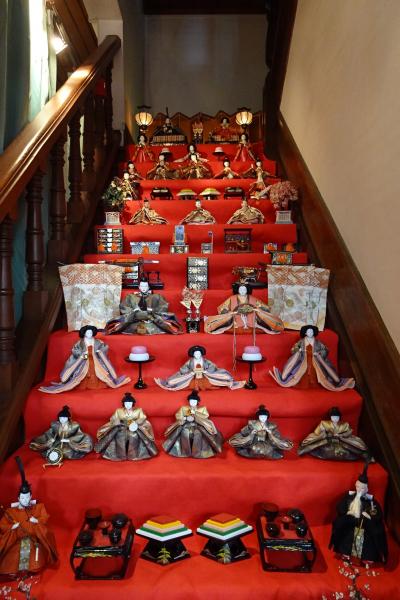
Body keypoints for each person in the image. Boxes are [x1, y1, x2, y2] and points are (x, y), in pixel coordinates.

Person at [0, 457, 58, 576]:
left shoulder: (38, 508)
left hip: (32, 539)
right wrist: (12, 527)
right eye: (22, 498)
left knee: (34, 561)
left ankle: (31, 569)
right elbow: (3, 525)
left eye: (27, 497)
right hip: (16, 541)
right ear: (18, 498)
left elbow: (44, 519)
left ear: (31, 496)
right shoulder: (11, 512)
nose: (25, 500)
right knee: (12, 559)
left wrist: (36, 521)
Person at [39, 326, 130, 393]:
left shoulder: (98, 341)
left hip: (96, 359)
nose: (89, 334)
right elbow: (75, 350)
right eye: (87, 333)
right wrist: (82, 354)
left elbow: (105, 347)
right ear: (84, 333)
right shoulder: (80, 342)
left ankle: (96, 383)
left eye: (91, 333)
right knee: (83, 371)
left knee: (98, 371)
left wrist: (99, 351)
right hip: (84, 359)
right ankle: (82, 383)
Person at [329, 463, 388, 564]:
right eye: (358, 487)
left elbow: (377, 514)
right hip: (351, 524)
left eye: (362, 488)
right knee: (344, 530)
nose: (359, 490)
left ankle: (367, 557)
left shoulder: (371, 501)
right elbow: (340, 507)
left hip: (365, 526)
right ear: (356, 486)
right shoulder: (349, 497)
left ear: (366, 489)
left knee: (371, 535)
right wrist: (347, 512)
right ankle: (345, 553)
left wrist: (369, 516)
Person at [269, 325, 355, 392]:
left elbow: (325, 350)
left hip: (316, 360)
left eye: (311, 331)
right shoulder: (301, 342)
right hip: (303, 360)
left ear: (314, 332)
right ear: (305, 333)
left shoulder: (318, 342)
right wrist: (298, 351)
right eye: (308, 331)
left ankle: (322, 382)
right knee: (299, 372)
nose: (310, 333)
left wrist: (319, 353)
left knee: (320, 372)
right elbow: (293, 349)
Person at [105, 279, 183, 335]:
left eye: (145, 286)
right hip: (134, 320)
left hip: (151, 320)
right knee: (125, 323)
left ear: (148, 287)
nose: (143, 288)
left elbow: (163, 307)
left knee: (160, 323)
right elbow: (124, 306)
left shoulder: (156, 296)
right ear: (139, 287)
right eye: (142, 286)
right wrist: (133, 311)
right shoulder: (131, 297)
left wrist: (152, 310)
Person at [95, 393, 158, 461]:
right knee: (119, 435)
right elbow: (113, 418)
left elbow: (142, 417)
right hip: (121, 426)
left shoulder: (139, 410)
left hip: (134, 426)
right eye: (126, 403)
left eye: (130, 403)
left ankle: (134, 455)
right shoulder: (118, 411)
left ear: (133, 403)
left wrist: (136, 423)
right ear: (123, 404)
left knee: (134, 436)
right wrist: (117, 421)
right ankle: (120, 455)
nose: (128, 405)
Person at [155, 345, 245, 391]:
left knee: (227, 377)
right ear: (193, 354)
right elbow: (183, 370)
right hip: (192, 377)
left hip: (206, 376)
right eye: (195, 354)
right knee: (171, 382)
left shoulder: (206, 361)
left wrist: (206, 371)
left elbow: (213, 367)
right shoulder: (190, 361)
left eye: (198, 353)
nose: (197, 355)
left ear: (201, 354)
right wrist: (191, 372)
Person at [163, 390, 223, 458]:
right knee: (184, 432)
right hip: (186, 424)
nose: (192, 402)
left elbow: (206, 416)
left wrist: (195, 415)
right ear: (188, 401)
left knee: (198, 433)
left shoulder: (202, 409)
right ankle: (185, 452)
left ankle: (197, 453)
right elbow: (178, 415)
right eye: (191, 401)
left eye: (194, 401)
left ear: (197, 402)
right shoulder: (184, 408)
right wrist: (185, 418)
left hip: (198, 425)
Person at [204, 284, 284, 335]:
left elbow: (264, 307)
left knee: (261, 314)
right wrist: (230, 312)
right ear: (238, 290)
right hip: (235, 321)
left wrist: (257, 309)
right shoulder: (232, 298)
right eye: (241, 289)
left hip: (252, 320)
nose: (242, 291)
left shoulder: (253, 299)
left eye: (244, 289)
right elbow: (222, 308)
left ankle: (253, 325)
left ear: (247, 290)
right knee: (228, 316)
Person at [298, 407, 371, 461]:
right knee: (315, 444)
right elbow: (317, 432)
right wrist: (326, 434)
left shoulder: (344, 424)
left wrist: (341, 435)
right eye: (333, 417)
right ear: (330, 417)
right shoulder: (324, 423)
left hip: (341, 441)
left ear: (339, 417)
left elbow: (348, 433)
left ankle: (364, 455)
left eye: (337, 417)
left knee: (356, 446)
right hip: (327, 440)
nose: (335, 418)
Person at [229, 405, 293, 459]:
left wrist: (270, 434)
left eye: (265, 417)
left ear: (267, 417)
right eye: (261, 416)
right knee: (254, 449)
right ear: (258, 416)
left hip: (267, 442)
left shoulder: (271, 426)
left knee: (269, 450)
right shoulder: (252, 424)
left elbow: (277, 436)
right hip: (254, 441)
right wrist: (251, 434)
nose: (263, 418)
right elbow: (243, 433)